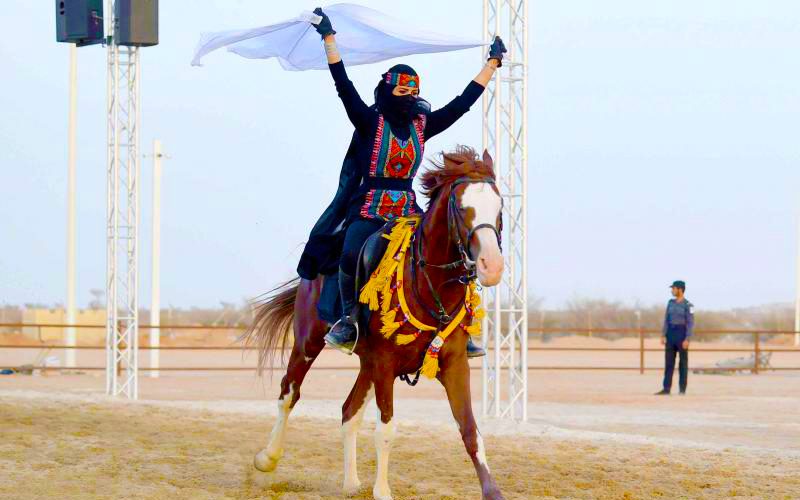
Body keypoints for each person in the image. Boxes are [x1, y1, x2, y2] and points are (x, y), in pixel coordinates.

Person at [297, 8, 506, 355]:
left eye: (414, 90)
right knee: (351, 252)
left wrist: (492, 65)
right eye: (403, 90)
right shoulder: (367, 120)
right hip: (368, 207)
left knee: (451, 250)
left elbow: (461, 104)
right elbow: (343, 87)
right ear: (389, 89)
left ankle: (460, 325)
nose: (409, 96)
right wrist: (329, 40)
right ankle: (348, 320)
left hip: (407, 209)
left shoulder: (423, 125)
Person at [655, 280, 694, 395]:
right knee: (669, 363)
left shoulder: (688, 305)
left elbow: (690, 323)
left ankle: (682, 389)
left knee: (683, 363)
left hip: (682, 334)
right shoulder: (670, 303)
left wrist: (687, 338)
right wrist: (663, 334)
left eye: (674, 288)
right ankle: (666, 388)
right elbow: (666, 319)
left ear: (680, 289)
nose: (672, 290)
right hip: (671, 334)